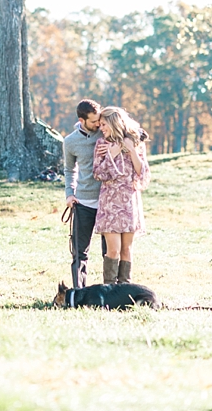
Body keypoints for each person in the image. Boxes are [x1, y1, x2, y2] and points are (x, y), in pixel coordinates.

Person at [93, 106, 151, 285]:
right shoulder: (101, 145)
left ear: (114, 122)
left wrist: (131, 150)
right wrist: (112, 154)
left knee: (127, 249)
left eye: (104, 124)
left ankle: (125, 288)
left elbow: (143, 172)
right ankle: (109, 289)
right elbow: (98, 174)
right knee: (114, 250)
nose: (101, 128)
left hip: (129, 201)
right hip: (110, 202)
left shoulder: (134, 142)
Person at [63, 99, 107, 289]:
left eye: (99, 120)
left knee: (110, 252)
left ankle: (112, 291)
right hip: (83, 203)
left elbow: (134, 133)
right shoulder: (70, 141)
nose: (98, 124)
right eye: (93, 121)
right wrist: (69, 194)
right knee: (80, 252)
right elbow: (69, 170)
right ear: (82, 120)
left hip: (108, 201)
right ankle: (79, 292)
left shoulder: (106, 132)